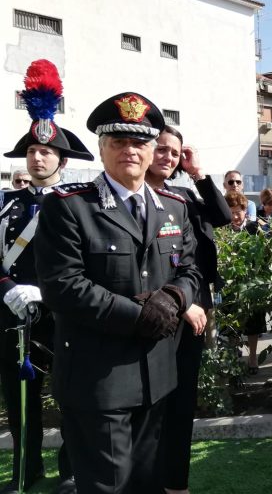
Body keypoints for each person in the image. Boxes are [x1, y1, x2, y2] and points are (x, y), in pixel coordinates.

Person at [34, 92, 203, 493]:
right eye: (118, 142)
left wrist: (173, 300)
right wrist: (140, 315)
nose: (130, 150)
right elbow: (63, 286)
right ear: (101, 148)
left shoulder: (174, 207)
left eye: (139, 142)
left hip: (157, 375)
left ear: (151, 150)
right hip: (99, 379)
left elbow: (191, 269)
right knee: (108, 486)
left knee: (146, 483)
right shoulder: (70, 207)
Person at [0, 60, 94, 494]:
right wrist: (8, 289)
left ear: (61, 158)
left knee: (73, 397)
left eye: (47, 152)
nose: (38, 158)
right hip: (12, 317)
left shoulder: (80, 204)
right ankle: (25, 470)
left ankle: (72, 471)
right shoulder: (5, 204)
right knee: (21, 405)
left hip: (64, 316)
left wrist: (52, 290)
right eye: (33, 152)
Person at [145, 125, 231, 494]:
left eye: (174, 153)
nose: (167, 157)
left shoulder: (184, 196)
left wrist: (197, 173)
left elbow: (223, 216)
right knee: (148, 402)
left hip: (194, 307)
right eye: (161, 149)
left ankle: (176, 483)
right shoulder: (131, 195)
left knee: (181, 400)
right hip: (150, 310)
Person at [223, 190, 266, 372]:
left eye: (238, 212)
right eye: (231, 212)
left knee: (254, 322)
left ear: (245, 211)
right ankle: (233, 359)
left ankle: (253, 358)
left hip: (252, 282)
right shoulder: (222, 232)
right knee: (231, 322)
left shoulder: (255, 229)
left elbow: (264, 255)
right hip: (230, 284)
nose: (235, 216)